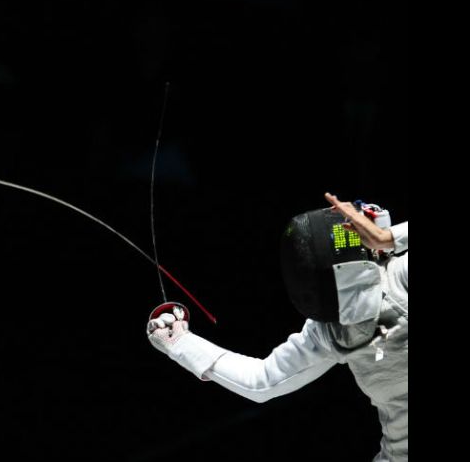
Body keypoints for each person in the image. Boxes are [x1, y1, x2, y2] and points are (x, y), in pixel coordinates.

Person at [147, 192, 408, 461]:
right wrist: (390, 238)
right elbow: (261, 381)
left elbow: (260, 382)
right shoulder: (400, 279)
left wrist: (179, 342)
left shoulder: (330, 332)